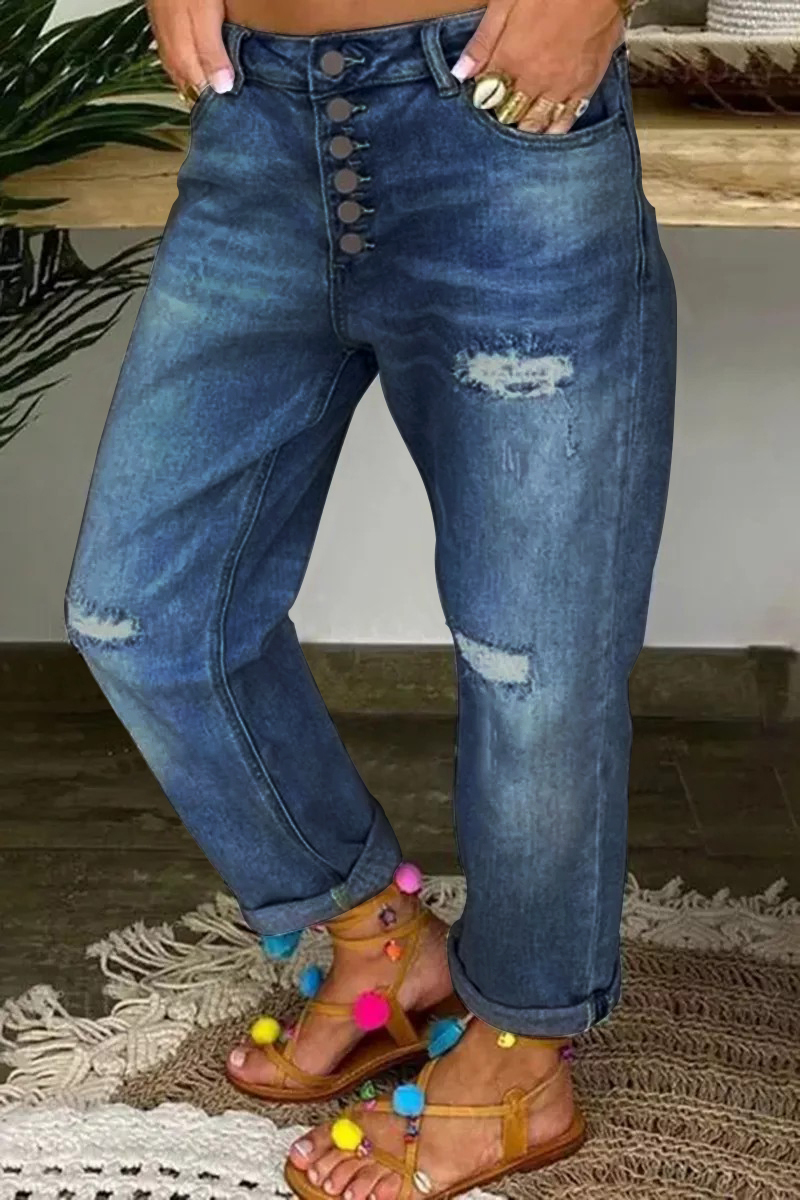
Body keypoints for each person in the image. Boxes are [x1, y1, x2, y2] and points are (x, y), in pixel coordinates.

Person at [64, 0, 676, 1195]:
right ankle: (377, 936)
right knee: (141, 614)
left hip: (497, 130)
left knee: (530, 664)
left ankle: (520, 1053)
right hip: (255, 129)